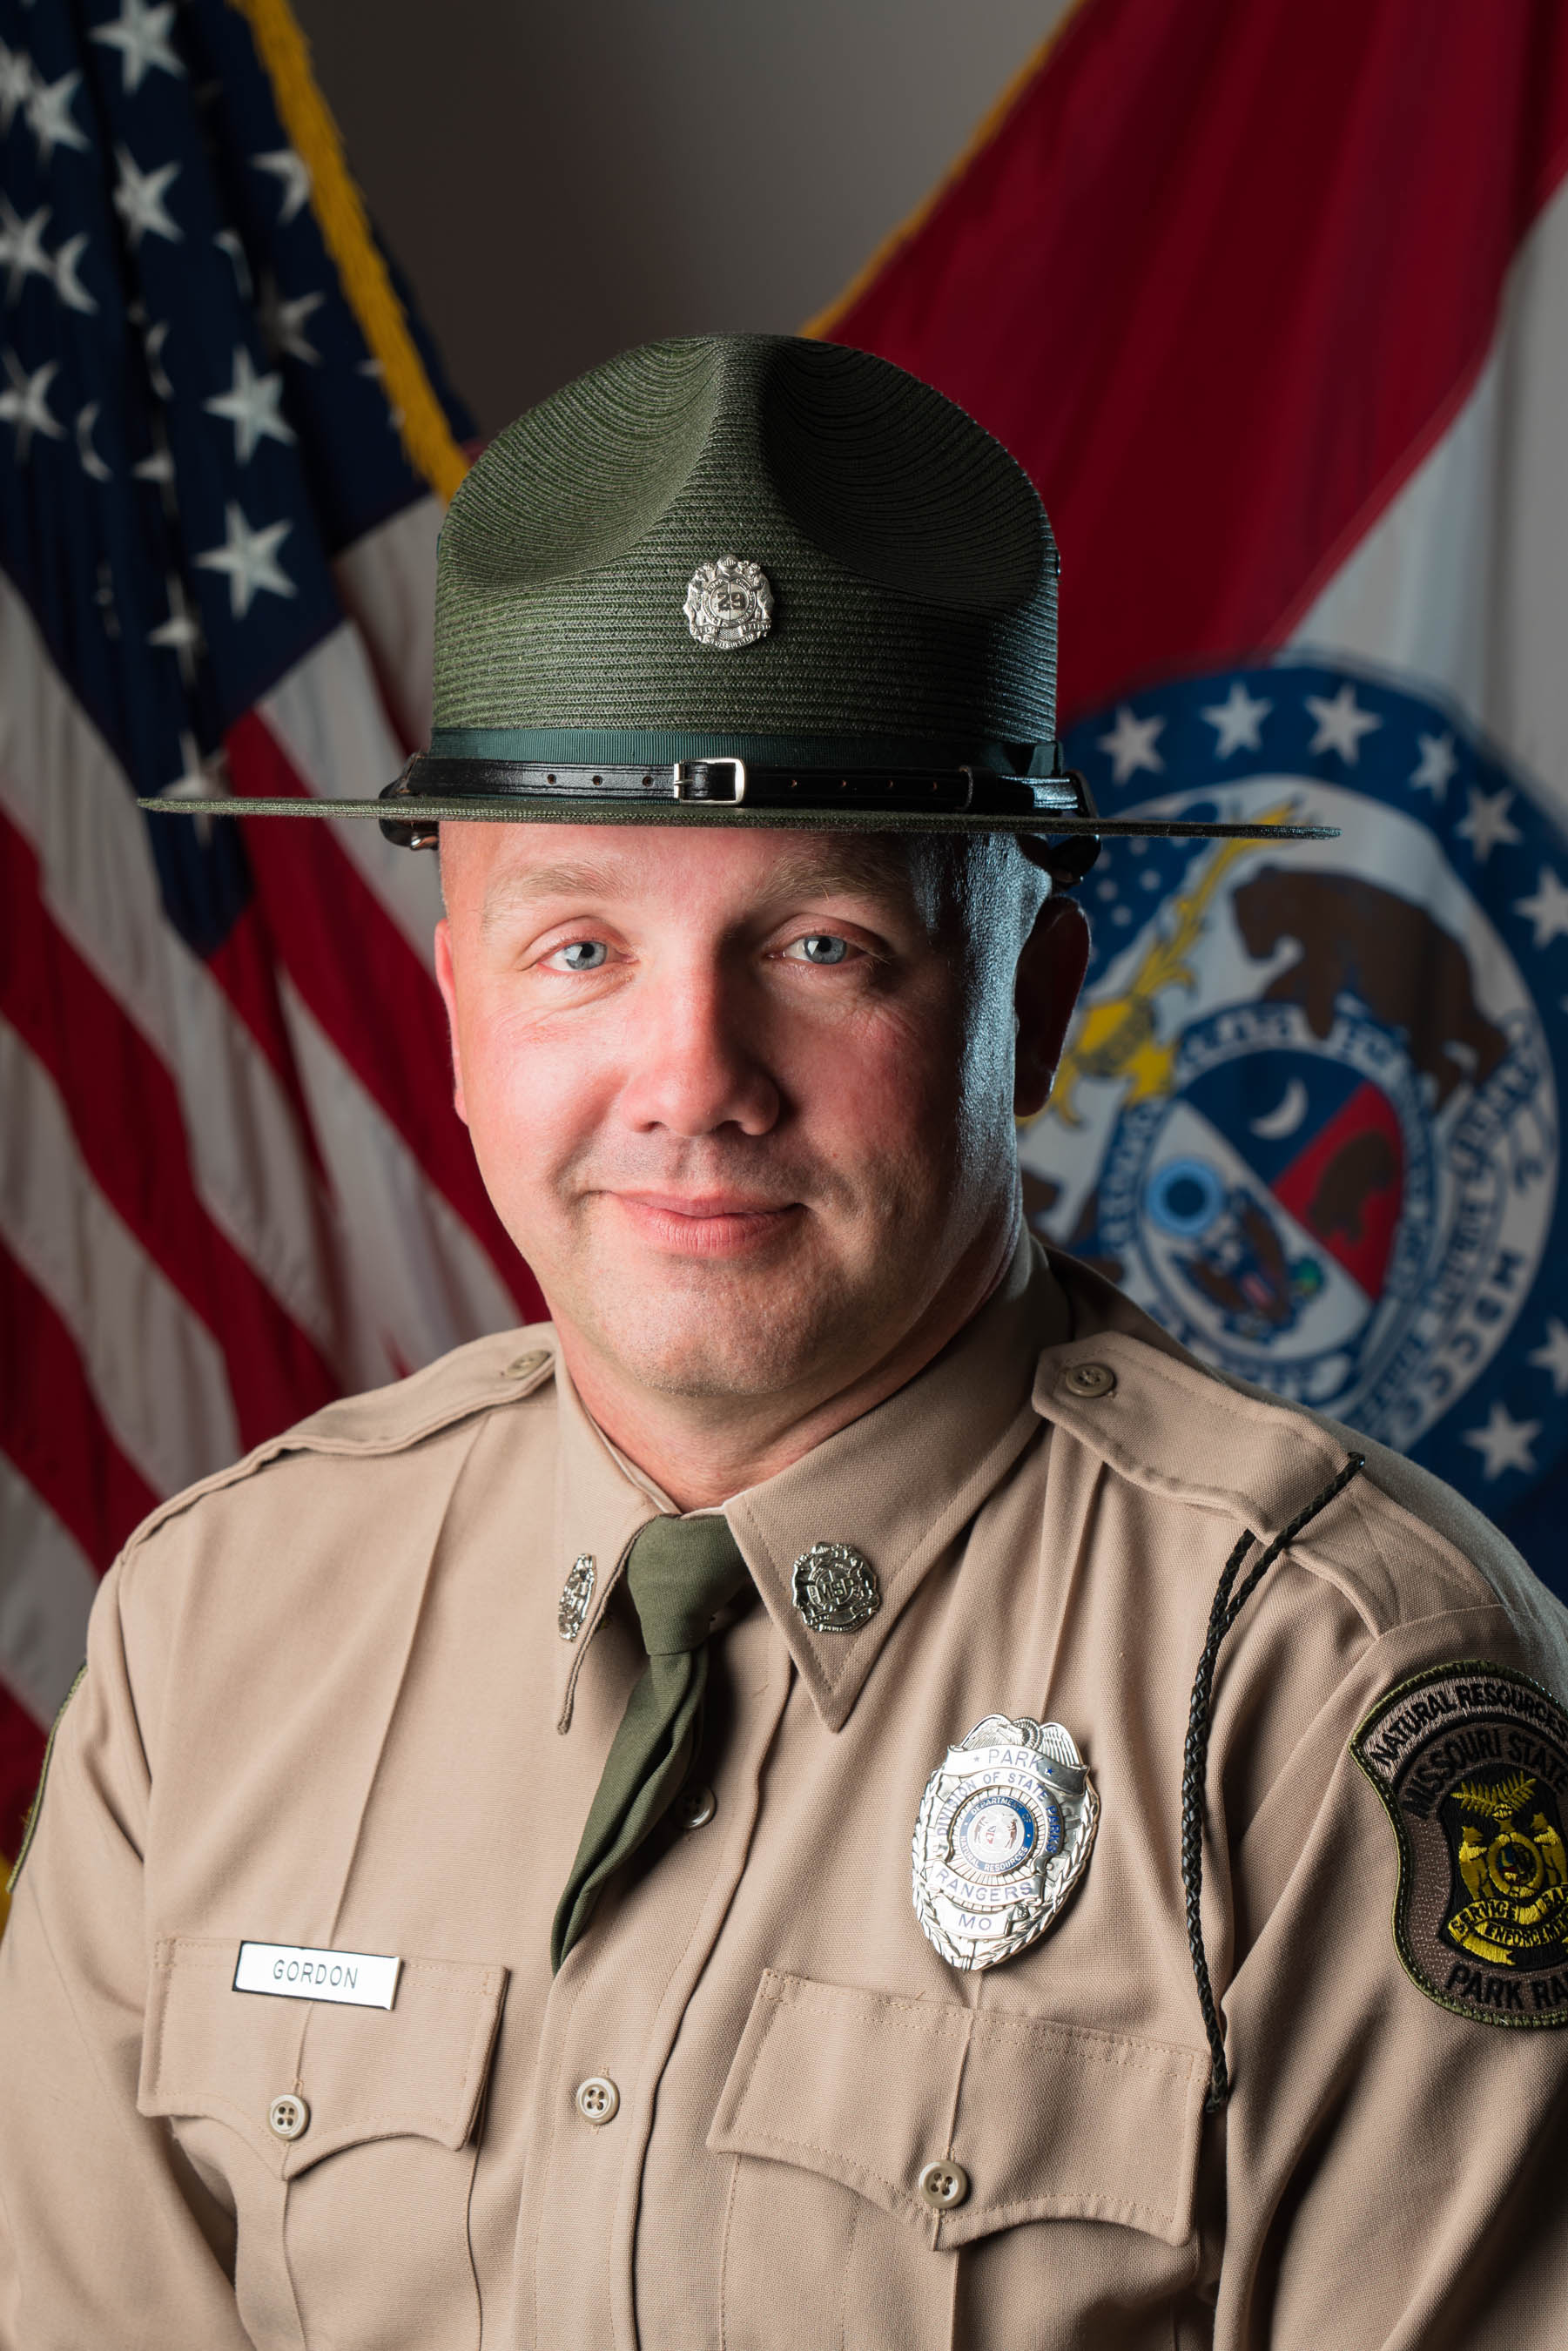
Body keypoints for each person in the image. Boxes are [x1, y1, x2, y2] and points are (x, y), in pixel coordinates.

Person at [3, 333, 1565, 2351]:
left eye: (826, 948)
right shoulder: (218, 1630)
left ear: (1035, 996)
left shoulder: (1320, 1686)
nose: (694, 1077)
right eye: (581, 949)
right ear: (458, 1005)